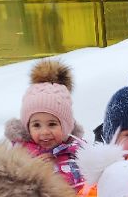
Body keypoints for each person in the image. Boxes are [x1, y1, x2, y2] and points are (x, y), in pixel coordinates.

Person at [5, 60, 85, 188]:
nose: (44, 132)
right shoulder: (19, 153)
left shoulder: (78, 151)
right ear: (27, 127)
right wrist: (31, 171)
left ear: (66, 127)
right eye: (36, 125)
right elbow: (8, 187)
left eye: (52, 124)